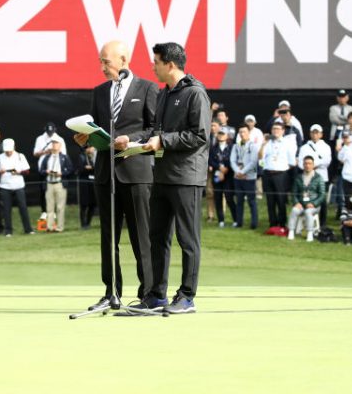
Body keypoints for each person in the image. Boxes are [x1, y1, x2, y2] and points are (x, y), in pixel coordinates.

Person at [119, 41, 211, 315]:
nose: (152, 67)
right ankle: (156, 295)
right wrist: (132, 141)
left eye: (156, 62)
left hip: (187, 177)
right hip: (161, 176)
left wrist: (163, 141)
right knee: (157, 237)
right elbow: (153, 132)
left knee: (187, 239)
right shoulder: (165, 94)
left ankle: (186, 296)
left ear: (170, 64)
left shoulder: (196, 94)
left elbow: (199, 136)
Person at [73, 40, 158, 309]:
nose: (101, 67)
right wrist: (85, 137)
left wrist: (129, 138)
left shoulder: (147, 88)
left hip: (135, 173)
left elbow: (155, 128)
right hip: (105, 174)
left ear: (123, 60)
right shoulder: (99, 92)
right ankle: (112, 293)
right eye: (100, 61)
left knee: (140, 236)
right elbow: (98, 128)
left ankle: (148, 294)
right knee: (108, 238)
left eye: (106, 62)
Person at [259, 120, 296, 228]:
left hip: (281, 174)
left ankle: (282, 223)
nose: (275, 131)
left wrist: (282, 169)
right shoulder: (268, 142)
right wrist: (262, 145)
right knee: (270, 201)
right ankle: (272, 223)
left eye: (278, 129)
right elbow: (260, 158)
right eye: (274, 129)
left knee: (281, 200)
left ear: (283, 131)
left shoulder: (287, 143)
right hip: (268, 174)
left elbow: (292, 161)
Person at [0, 138, 33, 237]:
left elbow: (27, 171)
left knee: (23, 207)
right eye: (6, 151)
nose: (8, 153)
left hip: (18, 185)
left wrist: (19, 172)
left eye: (10, 151)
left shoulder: (20, 156)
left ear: (14, 148)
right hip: (5, 186)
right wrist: (0, 172)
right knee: (6, 209)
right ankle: (8, 231)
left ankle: (28, 229)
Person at [298, 124, 332, 222]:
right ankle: (306, 220)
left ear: (321, 134)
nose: (314, 135)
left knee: (322, 200)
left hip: (321, 177)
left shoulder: (326, 147)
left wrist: (313, 165)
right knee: (306, 198)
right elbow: (300, 162)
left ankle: (323, 222)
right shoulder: (304, 147)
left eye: (317, 133)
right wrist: (308, 168)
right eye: (313, 132)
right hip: (307, 177)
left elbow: (327, 161)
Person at [38, 140, 74, 232]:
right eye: (53, 144)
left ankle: (59, 227)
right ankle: (49, 227)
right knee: (49, 207)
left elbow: (70, 169)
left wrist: (62, 173)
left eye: (56, 143)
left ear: (60, 145)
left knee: (60, 207)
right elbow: (41, 170)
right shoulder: (47, 157)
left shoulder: (64, 157)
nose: (54, 145)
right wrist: (46, 172)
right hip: (49, 184)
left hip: (60, 184)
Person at [287, 156, 324, 242]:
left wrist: (314, 203)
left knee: (308, 212)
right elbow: (294, 193)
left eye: (309, 163)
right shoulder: (298, 177)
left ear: (313, 165)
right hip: (301, 204)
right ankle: (291, 231)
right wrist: (296, 202)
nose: (307, 165)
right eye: (305, 163)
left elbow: (322, 195)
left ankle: (310, 233)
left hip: (314, 205)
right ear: (303, 165)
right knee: (294, 210)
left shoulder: (318, 178)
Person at [230, 124, 259, 229]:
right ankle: (239, 222)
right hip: (238, 177)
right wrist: (238, 172)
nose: (242, 134)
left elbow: (253, 162)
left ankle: (254, 224)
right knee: (239, 201)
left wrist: (243, 172)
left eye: (244, 132)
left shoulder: (253, 146)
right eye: (240, 132)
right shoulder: (236, 146)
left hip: (249, 177)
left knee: (251, 201)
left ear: (248, 133)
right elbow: (232, 160)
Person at [208, 127, 236, 227]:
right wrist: (219, 167)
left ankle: (235, 220)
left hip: (228, 176)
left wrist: (225, 169)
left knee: (229, 198)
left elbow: (233, 159)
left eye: (223, 134)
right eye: (219, 133)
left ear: (227, 135)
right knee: (218, 198)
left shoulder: (232, 147)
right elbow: (210, 160)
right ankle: (221, 220)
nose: (221, 135)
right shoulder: (213, 148)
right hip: (217, 175)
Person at [76, 144, 98, 229]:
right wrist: (87, 168)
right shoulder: (81, 156)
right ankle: (83, 224)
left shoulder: (95, 156)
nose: (92, 149)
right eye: (91, 147)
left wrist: (91, 167)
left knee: (92, 204)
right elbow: (80, 169)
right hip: (84, 184)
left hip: (93, 183)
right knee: (84, 204)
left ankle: (88, 223)